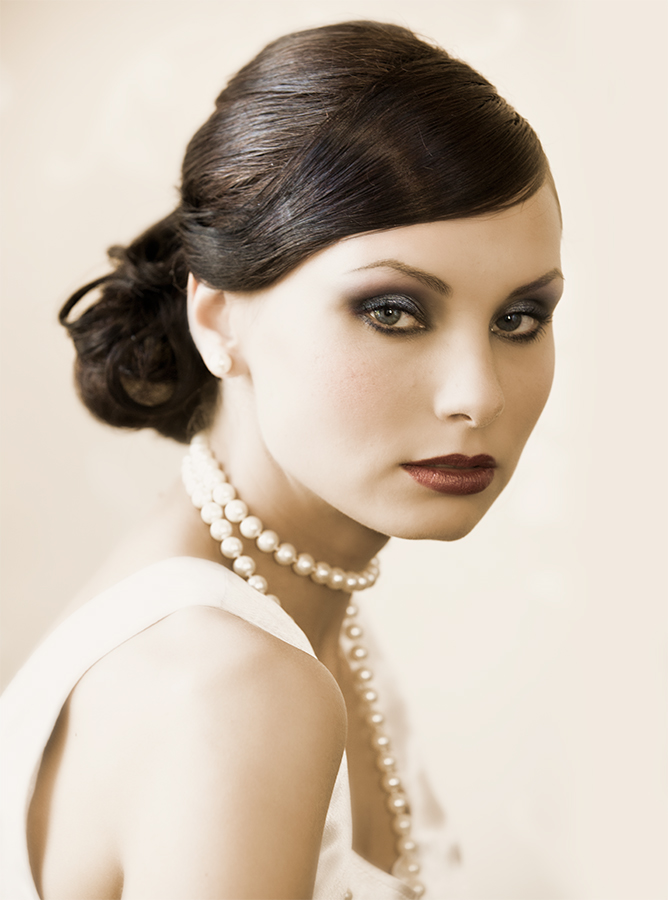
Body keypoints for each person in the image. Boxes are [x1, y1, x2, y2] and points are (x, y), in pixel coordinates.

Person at [0, 19, 563, 900]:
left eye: (518, 318)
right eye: (393, 311)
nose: (478, 395)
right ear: (219, 318)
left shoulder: (299, 623)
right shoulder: (232, 685)